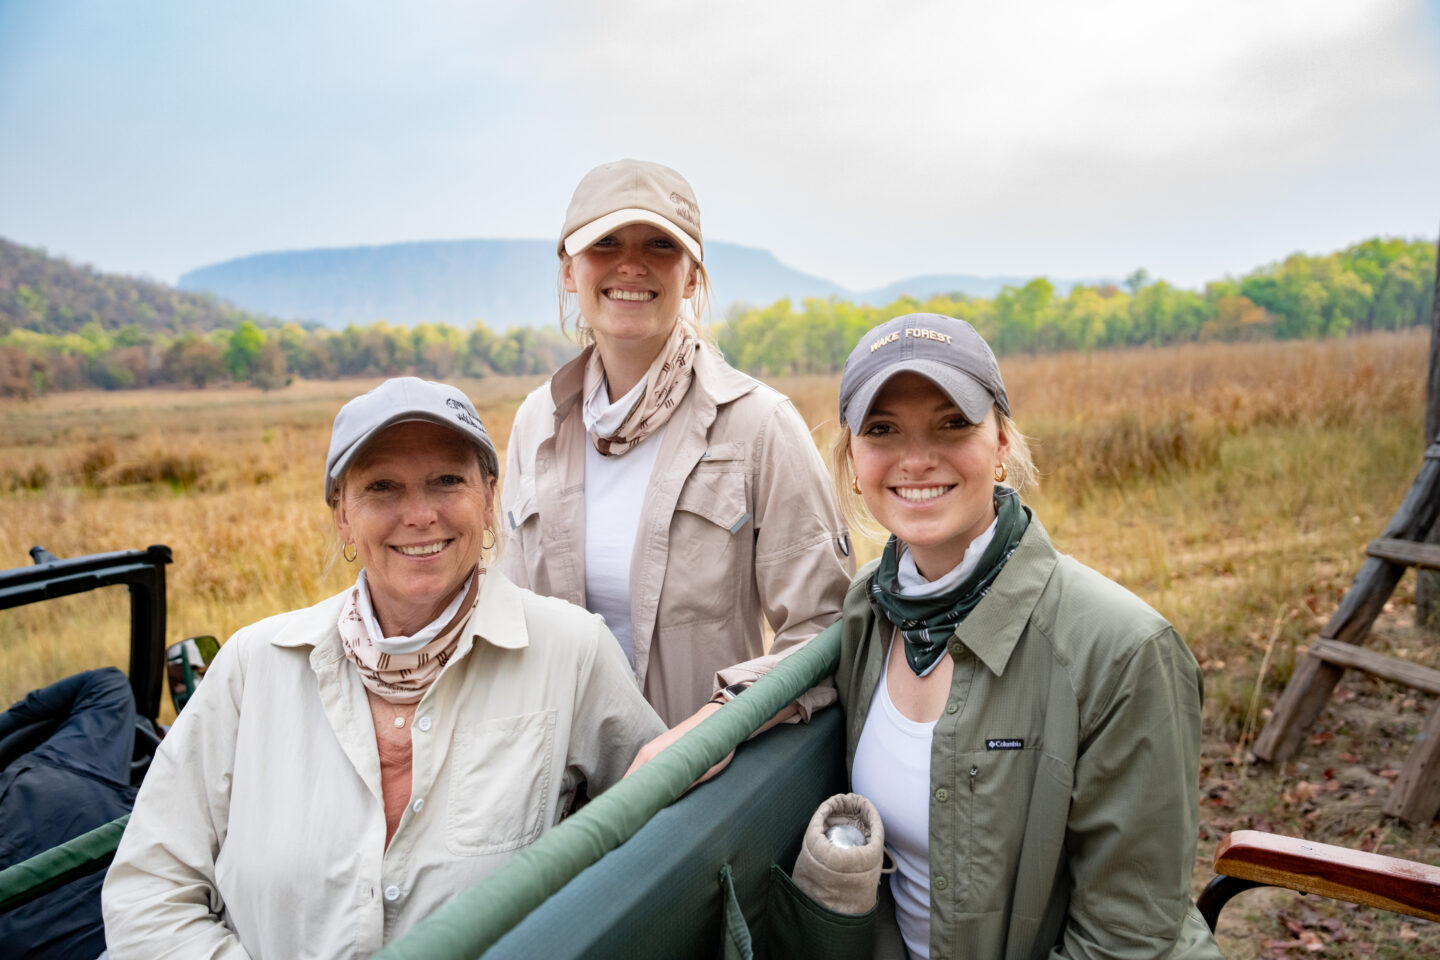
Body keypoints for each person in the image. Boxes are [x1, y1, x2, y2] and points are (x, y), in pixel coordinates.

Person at [102, 377, 665, 959]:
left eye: (448, 480)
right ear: (342, 515)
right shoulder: (255, 666)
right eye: (382, 487)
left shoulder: (569, 652)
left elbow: (666, 838)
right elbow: (149, 888)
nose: (420, 515)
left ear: (489, 496)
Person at [501, 158, 854, 726]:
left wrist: (716, 726)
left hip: (698, 786)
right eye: (607, 242)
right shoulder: (537, 425)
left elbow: (824, 628)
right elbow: (509, 621)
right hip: (560, 787)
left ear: (692, 275)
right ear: (570, 270)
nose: (632, 264)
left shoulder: (759, 426)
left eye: (661, 246)